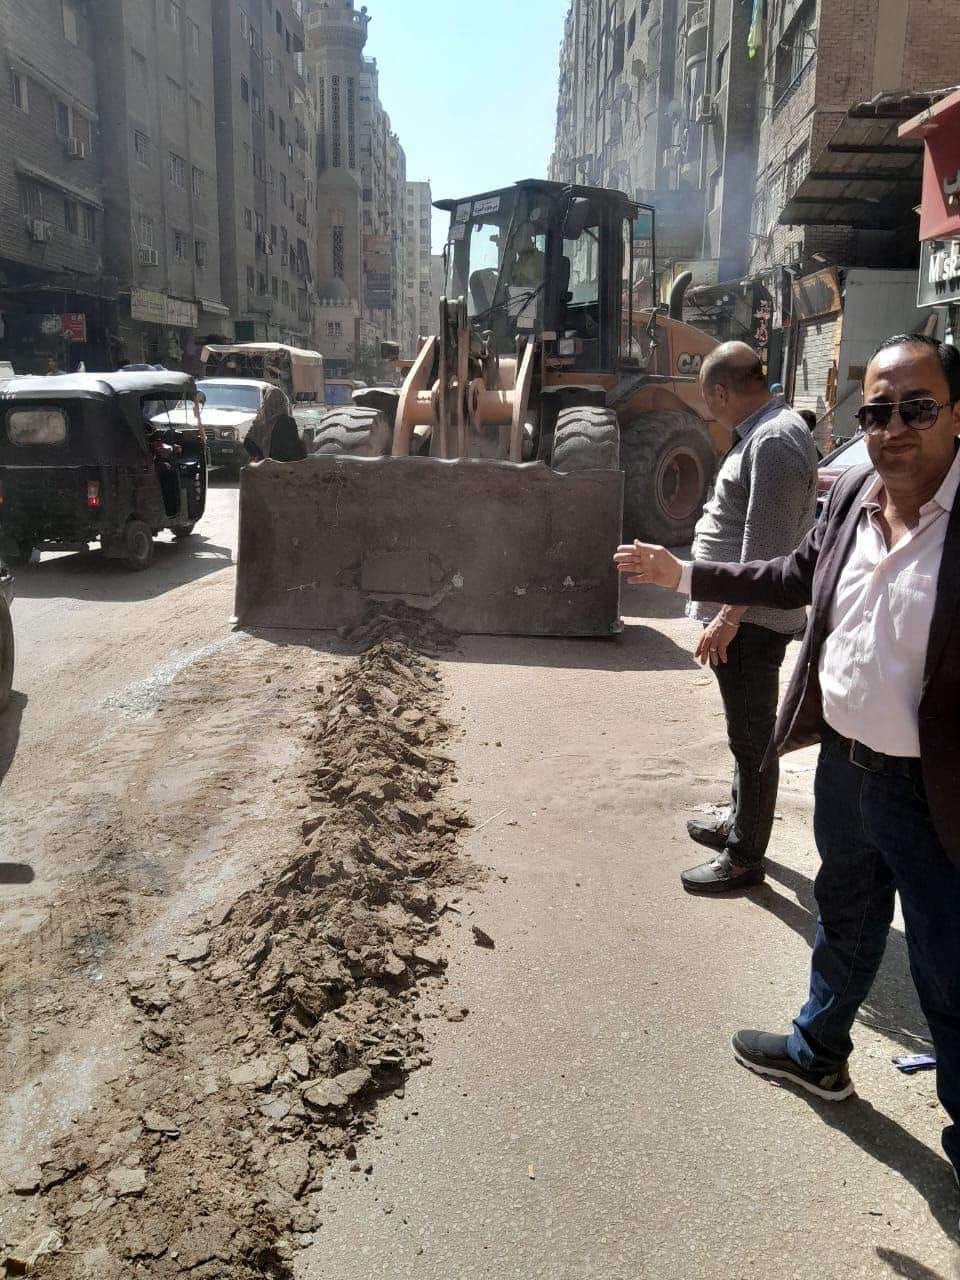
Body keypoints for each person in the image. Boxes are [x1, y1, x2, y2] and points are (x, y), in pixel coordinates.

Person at [614, 333, 960, 1186]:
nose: (893, 429)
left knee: (947, 969)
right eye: (877, 412)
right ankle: (818, 1051)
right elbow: (789, 573)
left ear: (956, 414)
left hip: (935, 792)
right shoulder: (854, 499)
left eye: (917, 408)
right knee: (845, 916)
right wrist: (684, 574)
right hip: (847, 765)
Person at [667, 342, 818, 894]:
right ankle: (739, 822)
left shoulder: (774, 440)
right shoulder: (765, 432)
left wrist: (728, 617)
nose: (710, 412)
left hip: (751, 624)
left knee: (753, 740)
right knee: (744, 734)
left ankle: (744, 857)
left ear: (722, 392)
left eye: (709, 402)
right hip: (745, 620)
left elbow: (767, 547)